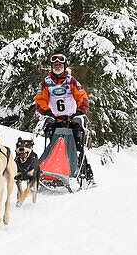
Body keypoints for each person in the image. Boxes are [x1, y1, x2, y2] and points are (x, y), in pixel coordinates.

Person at [35, 54, 94, 184]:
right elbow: (40, 100)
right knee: (54, 147)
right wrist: (47, 113)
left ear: (64, 66)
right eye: (55, 65)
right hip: (55, 120)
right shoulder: (46, 82)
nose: (57, 66)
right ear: (51, 67)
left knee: (77, 149)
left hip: (72, 120)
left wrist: (79, 113)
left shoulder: (71, 80)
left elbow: (82, 97)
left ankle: (86, 176)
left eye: (60, 64)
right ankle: (55, 174)